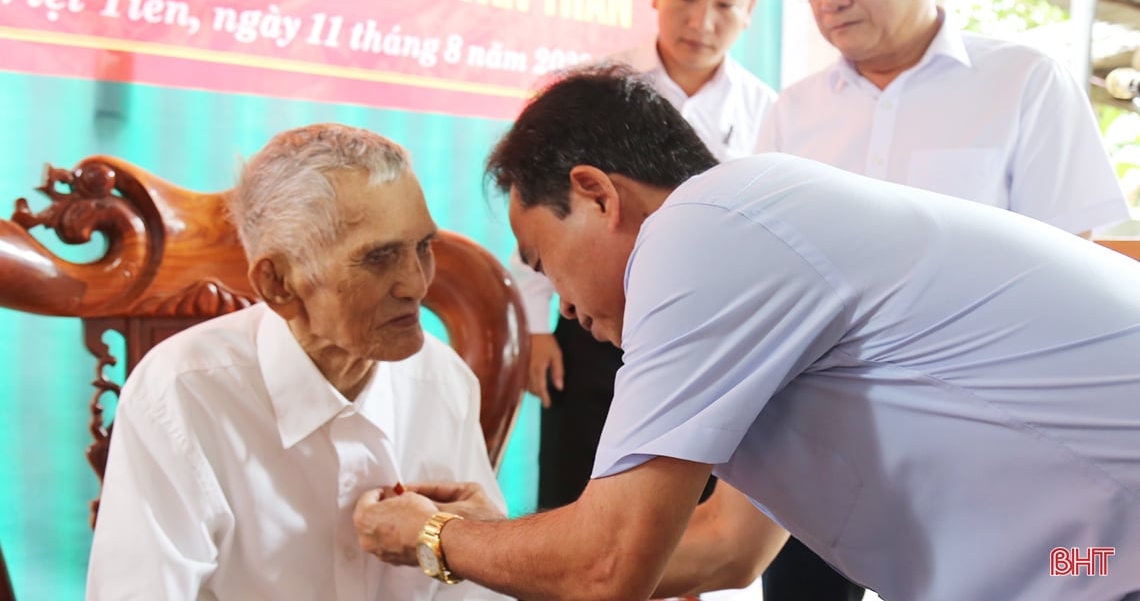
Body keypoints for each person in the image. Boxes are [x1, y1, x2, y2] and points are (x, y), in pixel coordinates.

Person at [353, 67, 1140, 601]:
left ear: (594, 194)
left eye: (543, 261)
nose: (560, 306)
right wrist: (499, 539)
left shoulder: (702, 229)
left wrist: (434, 534)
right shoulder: (753, 233)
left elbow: (606, 565)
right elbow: (729, 544)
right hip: (1086, 560)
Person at [756, 0, 1132, 596]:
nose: (831, 0)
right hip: (820, 447)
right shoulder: (792, 114)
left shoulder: (1024, 82)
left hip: (983, 451)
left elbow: (1073, 270)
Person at [86, 124, 510, 600]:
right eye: (379, 258)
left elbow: (477, 594)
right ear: (279, 284)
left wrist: (468, 541)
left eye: (423, 247)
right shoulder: (182, 393)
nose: (416, 283)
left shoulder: (443, 380)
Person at [516, 0, 775, 513]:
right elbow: (539, 211)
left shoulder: (770, 112)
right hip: (590, 327)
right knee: (572, 495)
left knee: (679, 516)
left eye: (724, 5)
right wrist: (533, 328)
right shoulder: (594, 91)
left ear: (750, 10)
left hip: (703, 338)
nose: (701, 22)